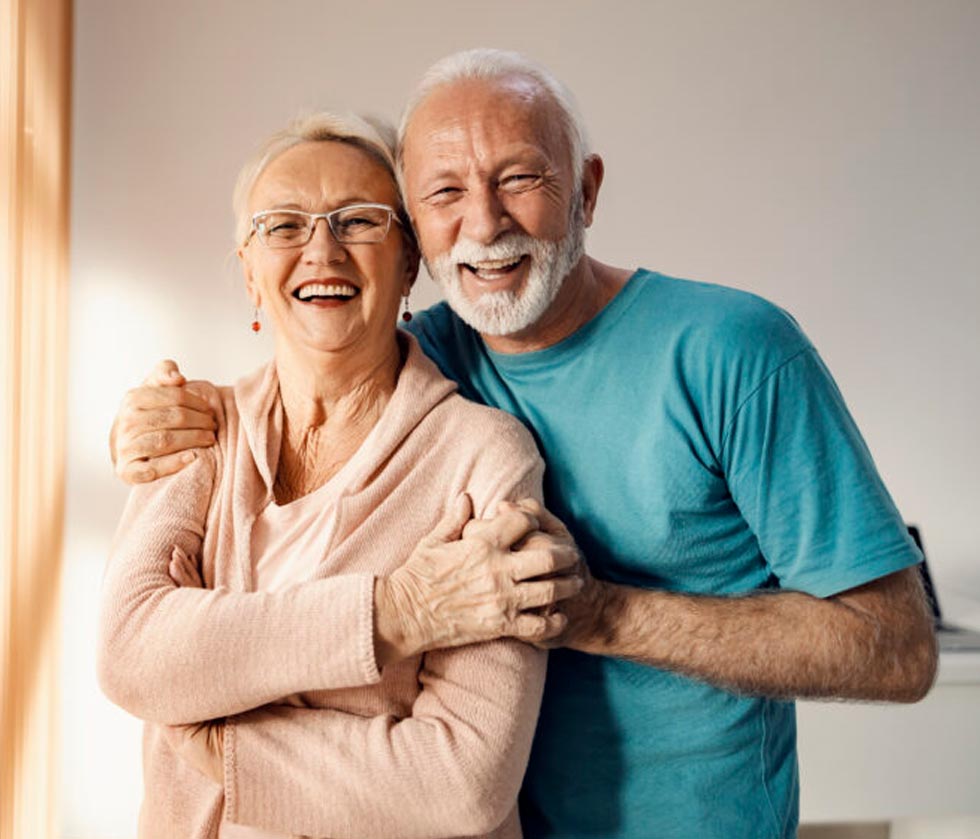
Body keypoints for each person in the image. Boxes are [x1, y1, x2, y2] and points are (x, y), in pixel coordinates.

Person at [110, 50, 938, 839]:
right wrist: (150, 424)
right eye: (444, 192)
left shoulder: (732, 351)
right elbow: (322, 339)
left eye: (520, 178)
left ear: (586, 189)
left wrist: (602, 614)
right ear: (419, 242)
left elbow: (898, 649)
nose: (485, 222)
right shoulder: (429, 352)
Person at [97, 110, 585, 839]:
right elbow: (130, 655)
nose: (321, 248)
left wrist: (223, 745)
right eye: (284, 225)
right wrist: (399, 612)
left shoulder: (486, 456)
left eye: (358, 221)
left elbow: (463, 782)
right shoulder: (195, 428)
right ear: (249, 272)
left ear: (409, 262)